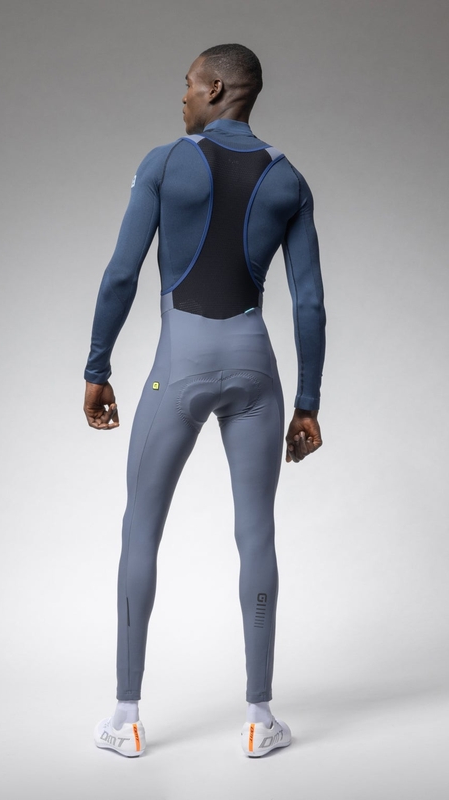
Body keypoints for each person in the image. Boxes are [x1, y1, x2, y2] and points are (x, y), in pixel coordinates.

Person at [84, 43, 325, 758]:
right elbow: (309, 304)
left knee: (141, 530)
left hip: (180, 366)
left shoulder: (165, 162)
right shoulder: (289, 179)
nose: (182, 95)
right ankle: (260, 718)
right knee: (257, 534)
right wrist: (307, 404)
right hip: (256, 368)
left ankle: (126, 718)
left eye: (188, 84)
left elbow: (120, 275)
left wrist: (97, 366)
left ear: (216, 87)